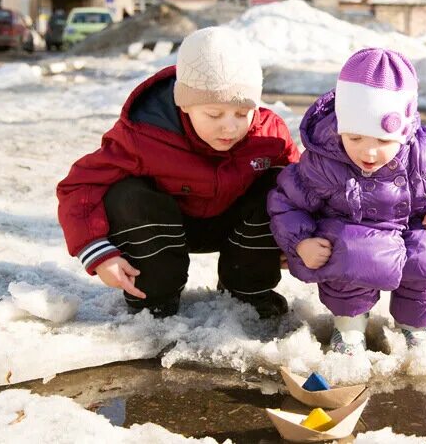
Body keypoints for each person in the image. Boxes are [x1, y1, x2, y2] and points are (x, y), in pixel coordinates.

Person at [57, 27, 299, 318]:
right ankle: (154, 296)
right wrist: (97, 252)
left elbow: (303, 190)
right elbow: (80, 185)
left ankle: (247, 292)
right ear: (185, 103)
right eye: (214, 114)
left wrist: (298, 237)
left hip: (233, 225)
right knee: (126, 193)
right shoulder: (145, 134)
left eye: (242, 113)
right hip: (165, 225)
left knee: (280, 187)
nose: (230, 126)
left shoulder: (269, 136)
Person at [268, 48, 426, 355]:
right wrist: (301, 241)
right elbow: (287, 201)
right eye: (355, 138)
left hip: (411, 233)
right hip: (354, 240)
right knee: (351, 250)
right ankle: (349, 327)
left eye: (382, 141)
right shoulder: (325, 162)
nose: (368, 152)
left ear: (405, 132)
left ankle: (416, 326)